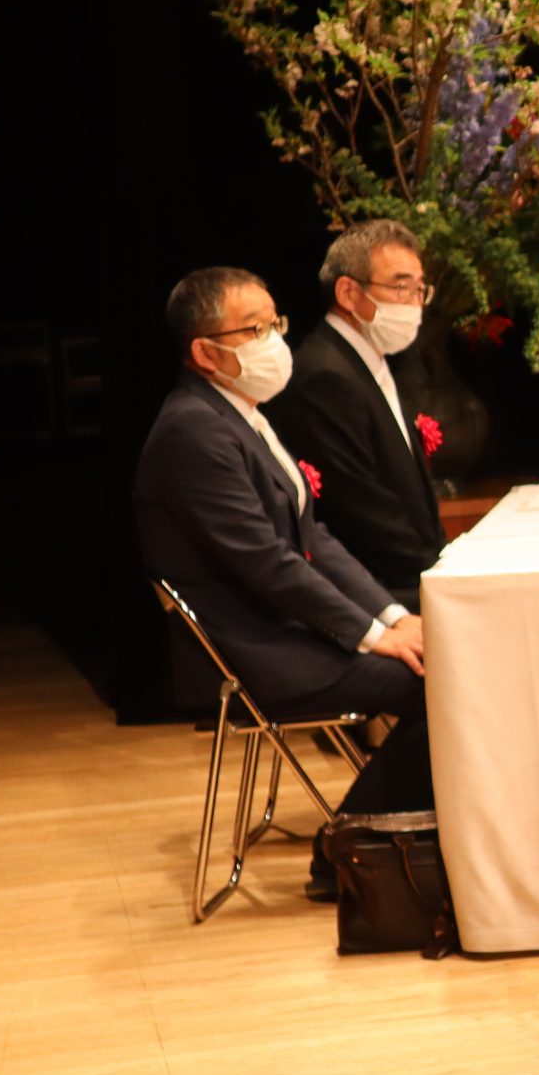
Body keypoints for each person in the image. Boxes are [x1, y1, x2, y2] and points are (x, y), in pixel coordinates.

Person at [134, 267, 438, 897]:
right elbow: (268, 565)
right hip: (258, 649)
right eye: (254, 329)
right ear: (205, 352)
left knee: (443, 657)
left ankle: (396, 838)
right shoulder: (193, 430)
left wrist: (391, 616)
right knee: (445, 685)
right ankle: (347, 851)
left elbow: (311, 538)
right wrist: (371, 637)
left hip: (282, 628)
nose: (273, 340)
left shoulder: (237, 412)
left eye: (275, 323)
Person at [268, 220, 447, 607]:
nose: (414, 303)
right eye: (400, 287)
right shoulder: (324, 375)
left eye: (420, 290)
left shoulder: (367, 360)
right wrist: (436, 575)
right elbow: (360, 507)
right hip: (378, 593)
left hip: (412, 580)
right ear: (348, 292)